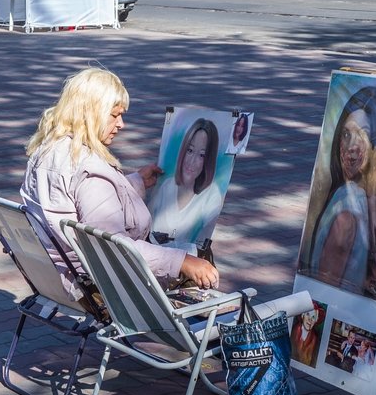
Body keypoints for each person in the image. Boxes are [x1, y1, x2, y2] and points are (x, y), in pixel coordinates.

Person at [21, 68, 218, 299]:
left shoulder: (46, 151)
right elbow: (115, 247)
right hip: (100, 283)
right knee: (199, 257)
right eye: (114, 115)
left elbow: (82, 203)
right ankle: (195, 331)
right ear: (90, 113)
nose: (121, 124)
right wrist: (182, 262)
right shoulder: (88, 169)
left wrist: (136, 182)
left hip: (54, 274)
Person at [302, 86, 376, 300]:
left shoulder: (367, 204)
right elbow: (322, 296)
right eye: (346, 134)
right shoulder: (347, 210)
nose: (352, 146)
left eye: (363, 134)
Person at [148, 118, 224, 251]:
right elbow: (144, 225)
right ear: (183, 151)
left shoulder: (211, 195)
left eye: (201, 155)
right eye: (189, 150)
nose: (192, 161)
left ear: (208, 160)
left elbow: (202, 246)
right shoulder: (167, 185)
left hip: (183, 265)